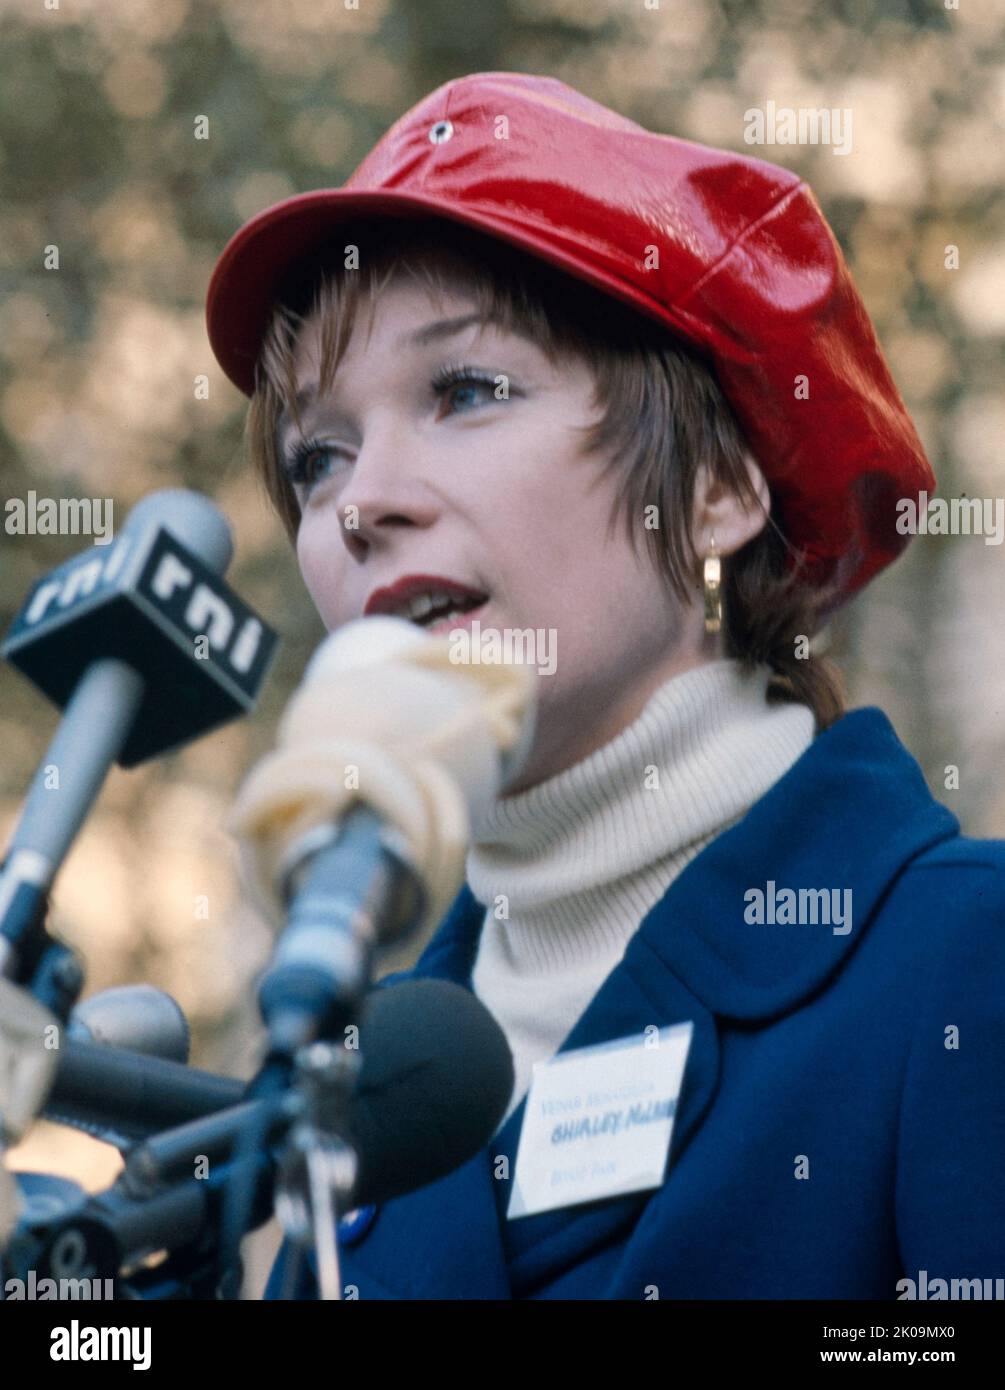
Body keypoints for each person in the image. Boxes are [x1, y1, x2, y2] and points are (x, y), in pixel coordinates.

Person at [205, 72, 1005, 1300]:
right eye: (319, 455)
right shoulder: (359, 1100)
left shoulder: (966, 959)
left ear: (716, 490)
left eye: (465, 390)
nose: (361, 503)